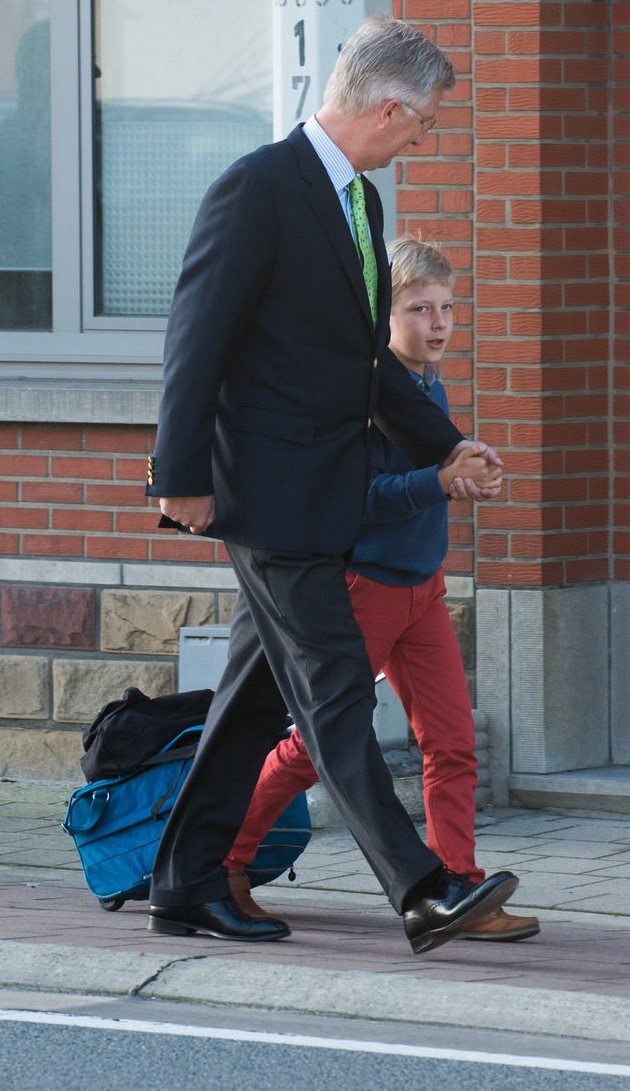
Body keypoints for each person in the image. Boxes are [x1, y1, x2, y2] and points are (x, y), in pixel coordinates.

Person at [145, 15, 519, 954]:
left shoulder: (359, 203)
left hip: (322, 492)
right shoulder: (259, 189)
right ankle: (423, 887)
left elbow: (365, 363)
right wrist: (177, 474)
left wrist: (447, 444)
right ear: (388, 108)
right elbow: (196, 338)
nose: (421, 141)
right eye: (423, 124)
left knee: (253, 703)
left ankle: (185, 884)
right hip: (267, 494)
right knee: (338, 690)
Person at [225, 237, 539, 942]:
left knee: (454, 742)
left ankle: (458, 886)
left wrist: (469, 467)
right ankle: (224, 858)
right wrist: (438, 481)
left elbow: (437, 466)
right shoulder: (363, 391)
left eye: (448, 308)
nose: (438, 323)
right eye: (418, 308)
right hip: (363, 588)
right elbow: (355, 500)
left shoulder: (432, 383)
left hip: (423, 590)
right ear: (380, 313)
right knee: (316, 744)